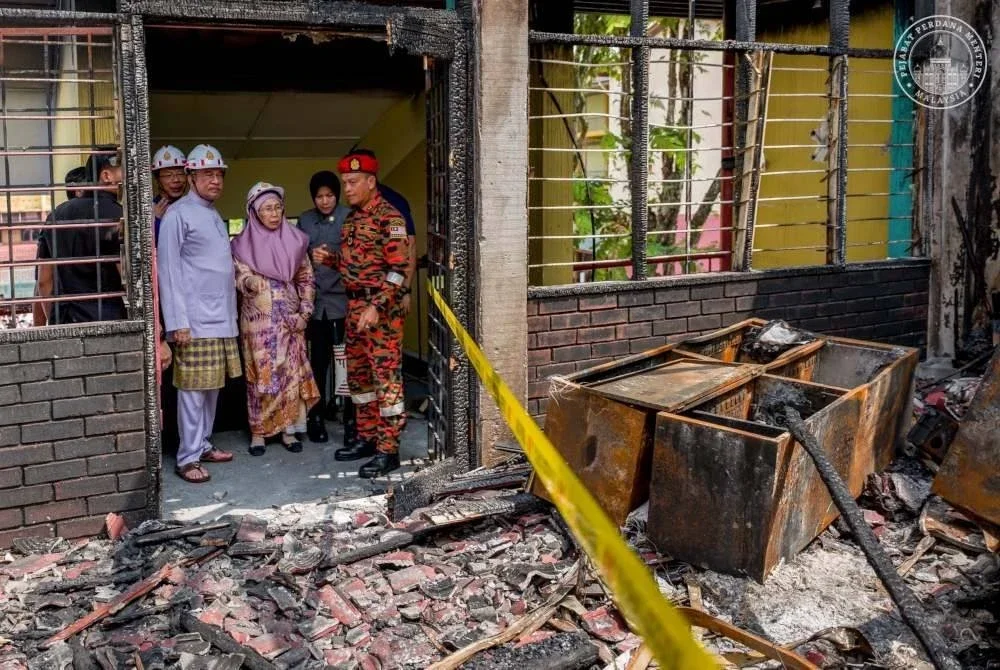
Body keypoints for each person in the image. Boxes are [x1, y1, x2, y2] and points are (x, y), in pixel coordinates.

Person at [157, 144, 240, 484]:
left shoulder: (211, 214)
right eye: (208, 174)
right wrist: (177, 323)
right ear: (192, 177)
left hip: (220, 318)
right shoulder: (179, 215)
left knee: (211, 389)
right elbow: (169, 270)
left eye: (219, 174)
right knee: (192, 390)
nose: (216, 181)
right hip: (194, 320)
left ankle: (203, 444)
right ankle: (187, 457)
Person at [331, 151, 410, 478]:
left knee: (385, 380)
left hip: (382, 316)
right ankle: (366, 439)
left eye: (352, 182)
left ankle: (388, 450)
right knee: (360, 379)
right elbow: (358, 267)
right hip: (354, 310)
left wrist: (376, 306)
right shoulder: (352, 219)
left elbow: (398, 270)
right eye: (344, 183)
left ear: (370, 182)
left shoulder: (389, 218)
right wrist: (331, 261)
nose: (346, 189)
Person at [232, 182, 320, 456]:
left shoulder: (295, 240)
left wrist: (305, 313)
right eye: (267, 209)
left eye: (277, 208)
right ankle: (258, 432)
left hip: (289, 320)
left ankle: (288, 430)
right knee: (260, 375)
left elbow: (306, 278)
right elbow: (238, 275)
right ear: (255, 213)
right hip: (257, 324)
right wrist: (250, 281)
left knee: (288, 374)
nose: (273, 214)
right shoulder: (240, 244)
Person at [35, 147, 125, 326]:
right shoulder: (117, 214)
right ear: (107, 176)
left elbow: (44, 281)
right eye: (125, 171)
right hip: (107, 318)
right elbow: (126, 274)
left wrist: (57, 319)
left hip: (65, 319)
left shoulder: (56, 214)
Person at [298, 170, 354, 445]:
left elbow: (358, 257)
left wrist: (333, 257)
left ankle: (351, 420)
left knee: (348, 364)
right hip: (316, 303)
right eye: (319, 196)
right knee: (318, 364)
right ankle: (316, 417)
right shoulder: (305, 220)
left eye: (329, 195)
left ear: (337, 194)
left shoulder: (349, 216)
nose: (324, 201)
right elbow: (297, 257)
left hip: (343, 302)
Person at [349, 149, 417, 316]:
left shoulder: (393, 204)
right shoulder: (355, 207)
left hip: (388, 297)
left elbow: (409, 247)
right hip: (359, 301)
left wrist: (405, 290)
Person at [151, 145, 188, 245]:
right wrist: (155, 221)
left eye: (180, 174)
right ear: (157, 180)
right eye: (168, 175)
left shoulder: (194, 207)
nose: (176, 180)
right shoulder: (149, 210)